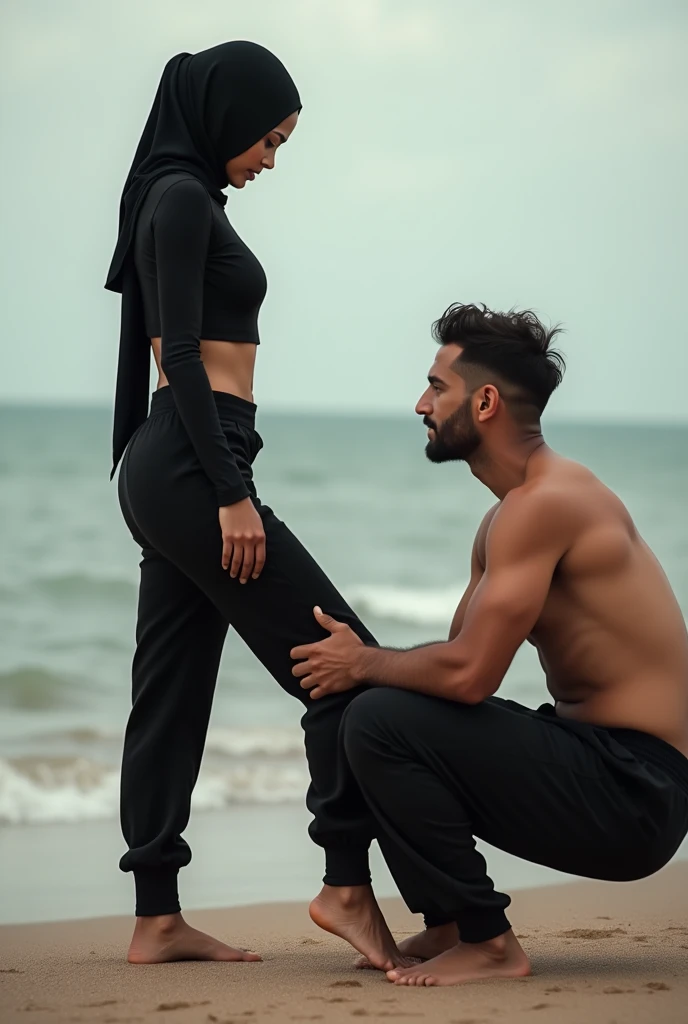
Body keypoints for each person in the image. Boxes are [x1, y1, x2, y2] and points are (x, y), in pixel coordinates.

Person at [105, 41, 409, 969]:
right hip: (199, 463)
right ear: (227, 118)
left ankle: (157, 916)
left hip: (184, 464)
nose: (269, 161)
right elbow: (181, 354)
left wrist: (218, 478)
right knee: (337, 657)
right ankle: (347, 886)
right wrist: (232, 495)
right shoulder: (184, 197)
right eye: (267, 140)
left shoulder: (179, 193)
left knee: (171, 689)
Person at [290, 302, 688, 986]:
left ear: (485, 401)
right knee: (382, 705)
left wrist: (363, 661)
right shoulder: (506, 515)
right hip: (602, 766)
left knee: (380, 713)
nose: (420, 403)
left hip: (640, 791)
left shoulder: (549, 503)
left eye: (435, 387)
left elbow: (470, 677)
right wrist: (370, 668)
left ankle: (491, 942)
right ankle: (446, 920)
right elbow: (443, 688)